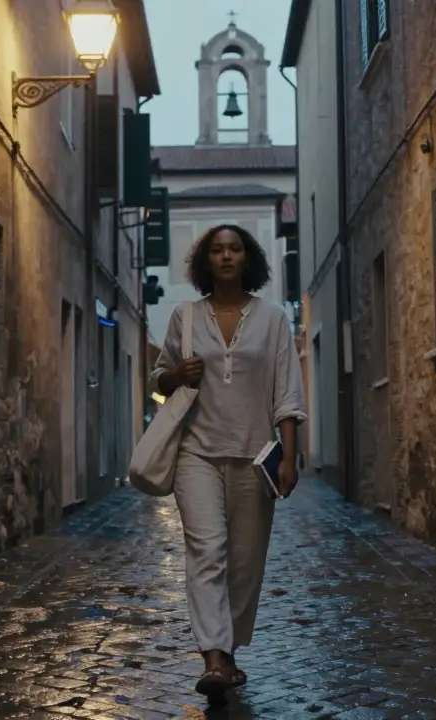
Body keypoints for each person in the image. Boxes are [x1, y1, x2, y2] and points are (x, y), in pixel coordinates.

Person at [151, 224, 307, 700]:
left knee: (245, 562)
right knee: (206, 551)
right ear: (205, 261)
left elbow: (287, 391)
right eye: (216, 250)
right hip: (196, 452)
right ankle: (214, 657)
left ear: (247, 259)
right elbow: (159, 380)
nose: (225, 257)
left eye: (234, 249)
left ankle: (230, 649)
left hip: (255, 456)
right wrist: (177, 373)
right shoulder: (185, 316)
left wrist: (290, 454)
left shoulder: (273, 319)